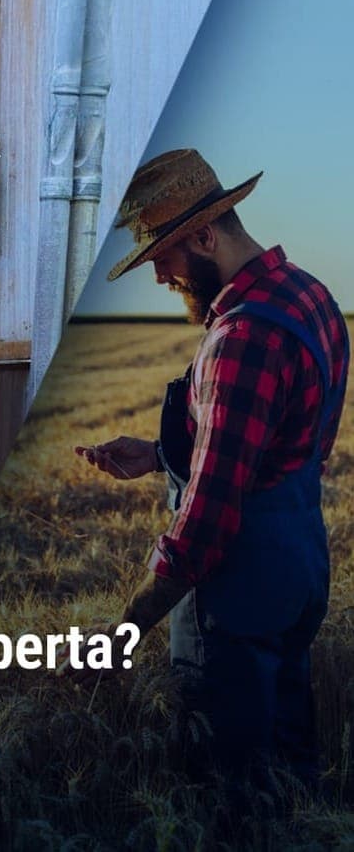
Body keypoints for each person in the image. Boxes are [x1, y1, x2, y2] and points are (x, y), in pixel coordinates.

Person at [74, 149, 348, 795]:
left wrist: (121, 632)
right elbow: (289, 444)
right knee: (286, 766)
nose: (160, 276)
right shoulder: (310, 295)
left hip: (234, 588)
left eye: (162, 256)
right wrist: (161, 452)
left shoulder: (239, 339)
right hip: (299, 566)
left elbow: (209, 518)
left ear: (203, 235)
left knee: (226, 789)